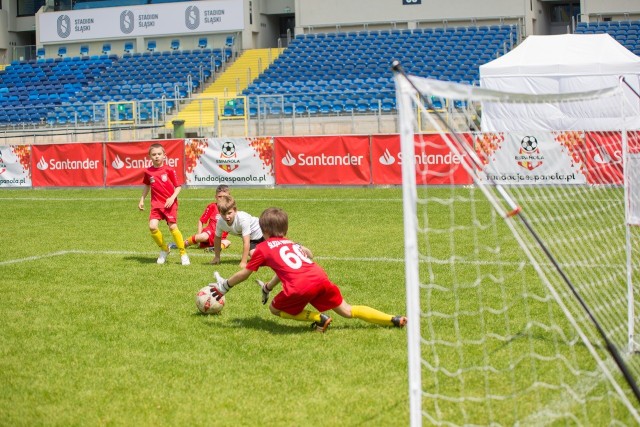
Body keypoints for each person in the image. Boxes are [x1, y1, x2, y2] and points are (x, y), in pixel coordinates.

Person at [209, 207, 407, 333]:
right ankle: (393, 319)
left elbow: (245, 272)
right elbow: (297, 263)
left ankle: (318, 318)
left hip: (301, 286)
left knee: (275, 309)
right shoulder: (290, 243)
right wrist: (268, 287)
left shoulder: (262, 248)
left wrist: (225, 286)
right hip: (320, 277)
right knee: (347, 311)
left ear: (264, 231)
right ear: (285, 230)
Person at [138, 143, 190, 266]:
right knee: (152, 227)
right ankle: (164, 249)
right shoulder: (148, 171)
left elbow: (178, 187)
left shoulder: (169, 170)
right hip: (156, 204)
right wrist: (141, 199)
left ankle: (183, 253)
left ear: (164, 156)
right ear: (150, 157)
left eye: (159, 154)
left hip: (169, 204)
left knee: (172, 227)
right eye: (154, 154)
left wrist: (172, 198)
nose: (157, 156)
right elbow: (147, 185)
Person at [170, 184, 232, 261]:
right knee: (202, 237)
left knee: (227, 242)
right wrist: (199, 235)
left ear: (229, 197)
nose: (222, 199)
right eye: (219, 197)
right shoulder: (212, 206)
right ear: (216, 197)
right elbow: (201, 221)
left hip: (220, 237)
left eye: (224, 197)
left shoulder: (231, 210)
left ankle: (214, 248)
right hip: (209, 233)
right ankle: (181, 244)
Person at [211, 195, 264, 268]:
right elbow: (217, 238)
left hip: (265, 231)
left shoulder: (242, 219)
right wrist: (217, 257)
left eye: (229, 213)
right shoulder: (220, 222)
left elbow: (246, 241)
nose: (226, 217)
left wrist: (243, 262)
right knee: (254, 256)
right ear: (219, 213)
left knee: (276, 250)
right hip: (253, 240)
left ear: (235, 211)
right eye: (223, 214)